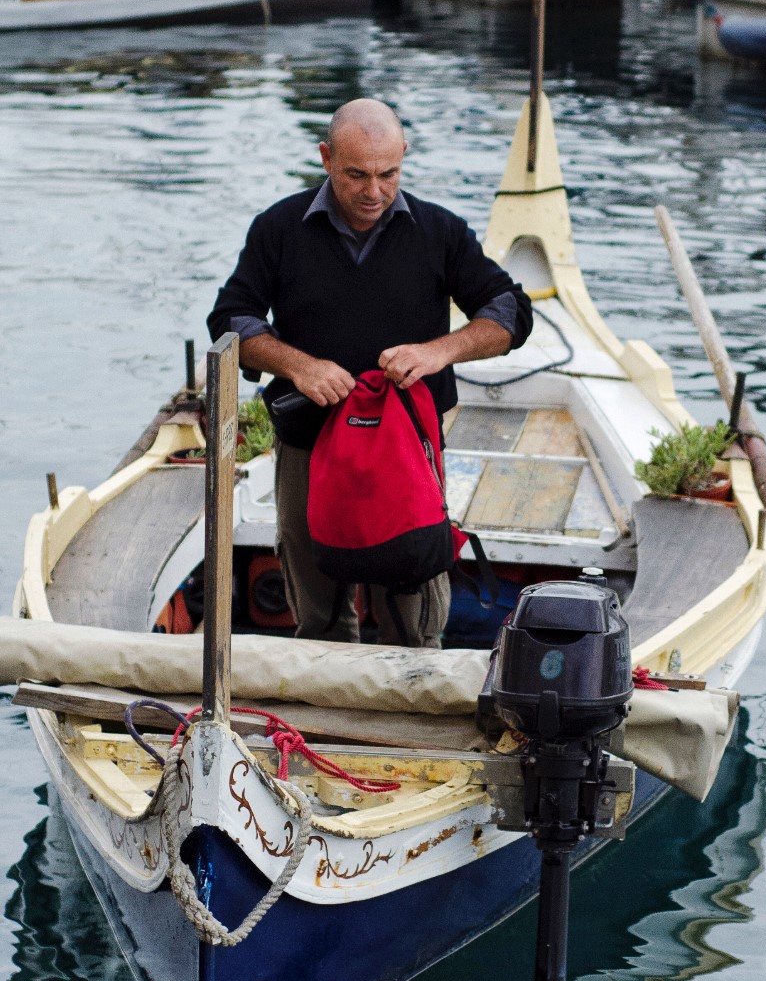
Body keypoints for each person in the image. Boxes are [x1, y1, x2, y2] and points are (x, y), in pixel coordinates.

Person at [210, 98, 533, 645]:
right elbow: (231, 318)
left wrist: (440, 351)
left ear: (404, 156)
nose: (374, 192)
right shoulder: (278, 228)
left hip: (408, 446)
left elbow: (509, 310)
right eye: (356, 174)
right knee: (318, 616)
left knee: (414, 621)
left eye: (389, 174)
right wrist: (299, 366)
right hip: (309, 441)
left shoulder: (442, 231)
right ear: (326, 158)